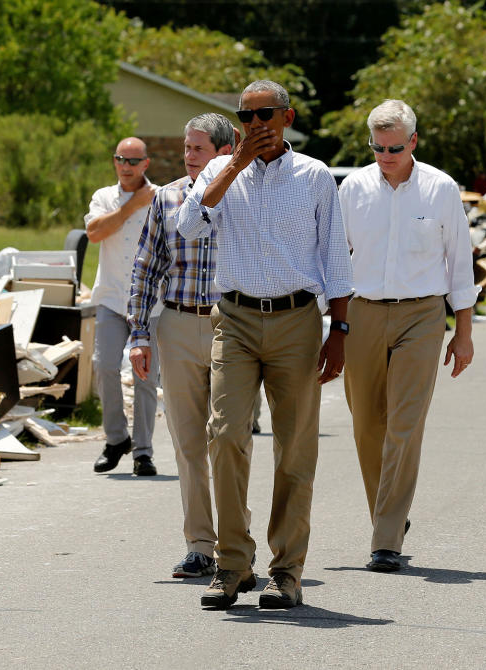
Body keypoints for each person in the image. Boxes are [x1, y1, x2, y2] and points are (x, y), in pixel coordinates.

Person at [177, 80, 353, 609]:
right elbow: (188, 226)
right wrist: (232, 166)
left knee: (295, 447)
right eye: (246, 117)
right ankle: (232, 565)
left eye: (265, 115)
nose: (256, 125)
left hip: (297, 319)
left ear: (287, 117)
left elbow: (336, 260)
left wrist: (338, 331)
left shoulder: (315, 176)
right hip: (234, 317)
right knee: (226, 436)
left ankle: (287, 571)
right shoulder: (218, 171)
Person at [339, 100, 475, 572]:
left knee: (404, 423)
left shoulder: (441, 188)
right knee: (366, 425)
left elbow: (459, 262)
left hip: (422, 316)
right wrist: (328, 329)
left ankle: (386, 536)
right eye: (377, 147)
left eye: (394, 147)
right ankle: (390, 511)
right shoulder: (353, 188)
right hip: (362, 313)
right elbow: (335, 260)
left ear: (413, 141)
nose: (386, 155)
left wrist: (464, 333)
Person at [128, 113, 238, 578]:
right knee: (188, 440)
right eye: (186, 147)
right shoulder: (167, 198)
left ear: (223, 153)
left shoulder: (245, 196)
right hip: (176, 324)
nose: (188, 156)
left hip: (232, 327)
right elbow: (146, 267)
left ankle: (237, 541)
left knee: (228, 438)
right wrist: (139, 334)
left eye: (198, 149)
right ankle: (199, 545)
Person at [85, 137, 161, 476]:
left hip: (150, 302)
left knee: (145, 377)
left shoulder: (162, 197)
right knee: (104, 366)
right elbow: (94, 233)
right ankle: (116, 438)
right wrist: (131, 206)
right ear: (114, 162)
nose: (126, 167)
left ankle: (143, 452)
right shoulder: (104, 197)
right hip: (112, 298)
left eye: (133, 161)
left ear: (146, 163)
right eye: (120, 160)